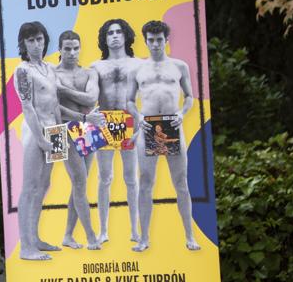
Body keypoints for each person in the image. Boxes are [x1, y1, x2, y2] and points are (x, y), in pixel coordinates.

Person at [128, 20, 200, 252]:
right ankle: (144, 238)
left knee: (181, 182)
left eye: (160, 40)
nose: (156, 44)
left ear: (166, 40)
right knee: (146, 182)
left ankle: (190, 236)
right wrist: (137, 116)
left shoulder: (179, 66)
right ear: (146, 40)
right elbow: (130, 100)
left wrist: (182, 112)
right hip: (148, 125)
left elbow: (189, 96)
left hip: (171, 124)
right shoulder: (137, 69)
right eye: (151, 40)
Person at [89, 19, 143, 245]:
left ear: (126, 35)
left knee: (131, 178)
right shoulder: (96, 67)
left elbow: (147, 94)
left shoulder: (138, 64)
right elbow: (91, 97)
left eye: (119, 32)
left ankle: (134, 230)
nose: (114, 36)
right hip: (105, 120)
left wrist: (141, 122)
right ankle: (103, 231)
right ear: (104, 38)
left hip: (130, 121)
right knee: (104, 178)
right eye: (110, 32)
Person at [13, 21, 62, 260]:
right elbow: (27, 107)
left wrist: (62, 132)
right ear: (23, 43)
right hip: (36, 131)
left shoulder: (50, 68)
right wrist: (42, 138)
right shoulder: (23, 70)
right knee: (30, 187)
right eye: (31, 40)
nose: (36, 44)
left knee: (43, 186)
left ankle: (35, 238)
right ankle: (26, 247)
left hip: (54, 128)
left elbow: (55, 103)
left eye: (39, 39)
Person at [52, 30, 101, 250]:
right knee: (80, 182)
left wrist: (62, 90)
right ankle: (91, 237)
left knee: (78, 184)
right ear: (60, 50)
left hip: (87, 127)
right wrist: (82, 115)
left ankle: (67, 236)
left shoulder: (89, 72)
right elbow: (52, 108)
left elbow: (92, 98)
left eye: (76, 48)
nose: (72, 53)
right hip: (59, 130)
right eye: (67, 48)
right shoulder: (51, 73)